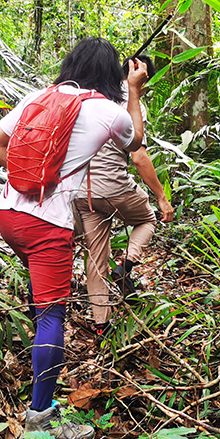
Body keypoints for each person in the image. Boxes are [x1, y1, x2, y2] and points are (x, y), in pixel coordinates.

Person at [0, 38, 148, 439]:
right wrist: (135, 92)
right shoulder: (108, 109)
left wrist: (29, 175)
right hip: (46, 224)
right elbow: (135, 142)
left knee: (44, 305)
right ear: (112, 74)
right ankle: (40, 420)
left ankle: (38, 391)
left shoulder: (39, 95)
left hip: (8, 216)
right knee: (52, 316)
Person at [74, 55, 174, 336]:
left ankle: (100, 327)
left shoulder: (88, 101)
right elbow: (139, 155)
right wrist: (162, 198)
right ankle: (126, 264)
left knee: (95, 260)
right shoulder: (126, 105)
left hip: (84, 194)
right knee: (148, 220)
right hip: (115, 188)